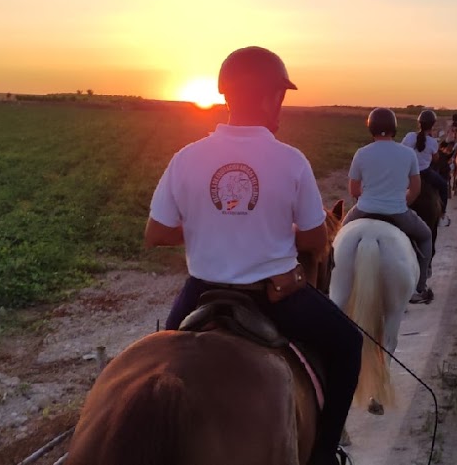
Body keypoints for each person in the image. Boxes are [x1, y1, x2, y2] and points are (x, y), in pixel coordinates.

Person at [146, 46, 362, 465]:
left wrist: (210, 225)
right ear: (270, 97)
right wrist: (276, 231)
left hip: (200, 293)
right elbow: (315, 240)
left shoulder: (186, 157)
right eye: (280, 96)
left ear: (227, 95)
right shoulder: (291, 161)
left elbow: (156, 233)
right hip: (275, 296)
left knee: (159, 366)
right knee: (348, 345)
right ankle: (323, 456)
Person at [344, 108, 435, 304]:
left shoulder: (361, 153)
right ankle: (419, 287)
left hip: (364, 210)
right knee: (426, 236)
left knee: (339, 236)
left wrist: (369, 198)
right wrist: (400, 203)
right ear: (394, 128)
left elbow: (353, 190)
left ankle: (331, 283)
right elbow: (415, 188)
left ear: (371, 128)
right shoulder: (407, 153)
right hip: (398, 212)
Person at [402, 109, 450, 224]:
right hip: (425, 173)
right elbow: (436, 159)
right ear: (432, 125)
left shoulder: (409, 136)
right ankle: (442, 215)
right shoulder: (432, 142)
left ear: (419, 123)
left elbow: (402, 150)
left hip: (409, 173)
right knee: (443, 185)